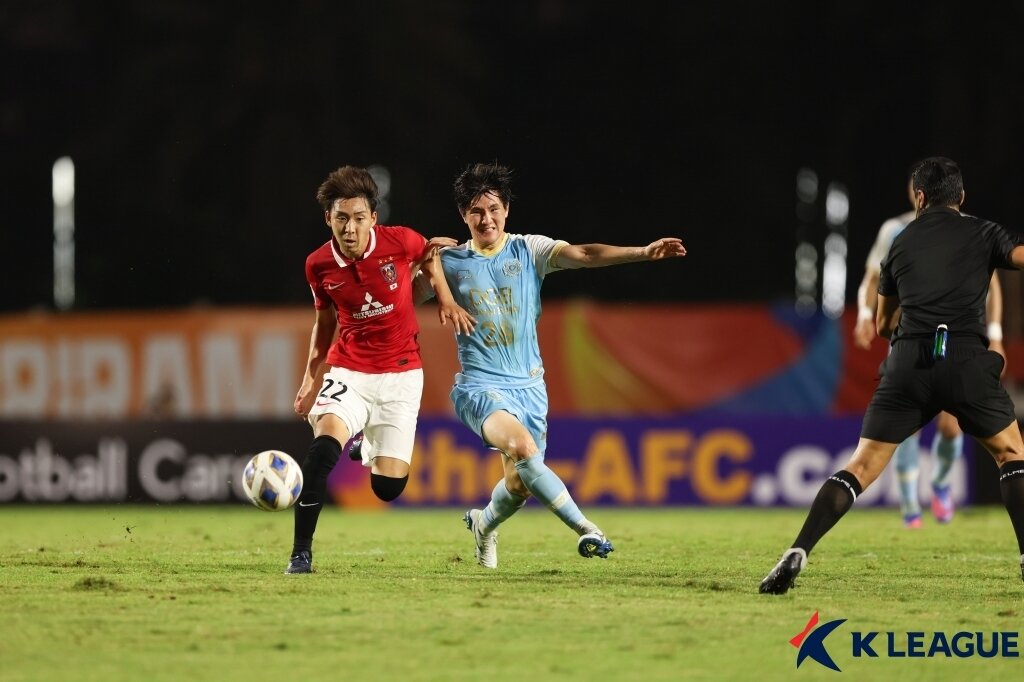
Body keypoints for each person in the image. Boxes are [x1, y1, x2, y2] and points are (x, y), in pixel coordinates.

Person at [761, 157, 1024, 595]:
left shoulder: (899, 244)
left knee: (861, 465)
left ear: (919, 197)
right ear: (961, 196)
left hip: (909, 362)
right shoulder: (984, 232)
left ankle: (798, 549)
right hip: (964, 358)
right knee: (1012, 453)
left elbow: (884, 324)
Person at [438, 162, 687, 568]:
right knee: (523, 449)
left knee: (519, 483)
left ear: (506, 210)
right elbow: (402, 296)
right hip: (480, 387)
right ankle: (588, 528)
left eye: (494, 209)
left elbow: (584, 254)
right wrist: (420, 257)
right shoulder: (449, 262)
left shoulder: (528, 250)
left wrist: (643, 252)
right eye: (476, 211)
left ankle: (483, 524)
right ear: (463, 215)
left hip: (530, 387)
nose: (486, 219)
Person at [286, 165, 476, 575]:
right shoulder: (318, 264)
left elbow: (428, 256)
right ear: (328, 219)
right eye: (341, 218)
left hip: (401, 375)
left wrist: (445, 297)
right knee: (322, 452)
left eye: (358, 218)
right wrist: (310, 379)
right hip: (349, 371)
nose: (349, 228)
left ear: (373, 217)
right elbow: (324, 322)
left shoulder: (400, 240)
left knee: (388, 487)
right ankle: (300, 553)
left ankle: (368, 448)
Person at [853, 177, 1006, 528]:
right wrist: (865, 314)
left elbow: (993, 285)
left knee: (951, 427)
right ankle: (910, 502)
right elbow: (873, 277)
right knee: (906, 426)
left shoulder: (970, 229)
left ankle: (939, 483)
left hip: (957, 336)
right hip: (911, 335)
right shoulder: (895, 230)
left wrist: (995, 334)